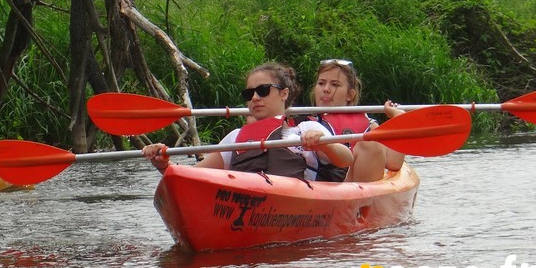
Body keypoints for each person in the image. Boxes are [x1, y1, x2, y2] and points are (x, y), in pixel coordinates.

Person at [142, 62, 350, 180]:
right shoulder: (235, 138)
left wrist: (325, 144)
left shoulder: (306, 129)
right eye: (249, 93)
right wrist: (163, 163)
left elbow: (346, 159)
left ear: (284, 93)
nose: (255, 98)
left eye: (263, 90)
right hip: (250, 204)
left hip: (296, 203)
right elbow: (191, 176)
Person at [299, 58, 405, 182]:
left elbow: (393, 163)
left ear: (350, 95)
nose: (326, 89)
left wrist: (399, 119)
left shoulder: (369, 124)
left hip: (360, 185)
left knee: (371, 142)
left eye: (335, 84)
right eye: (321, 83)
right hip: (329, 186)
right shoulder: (307, 125)